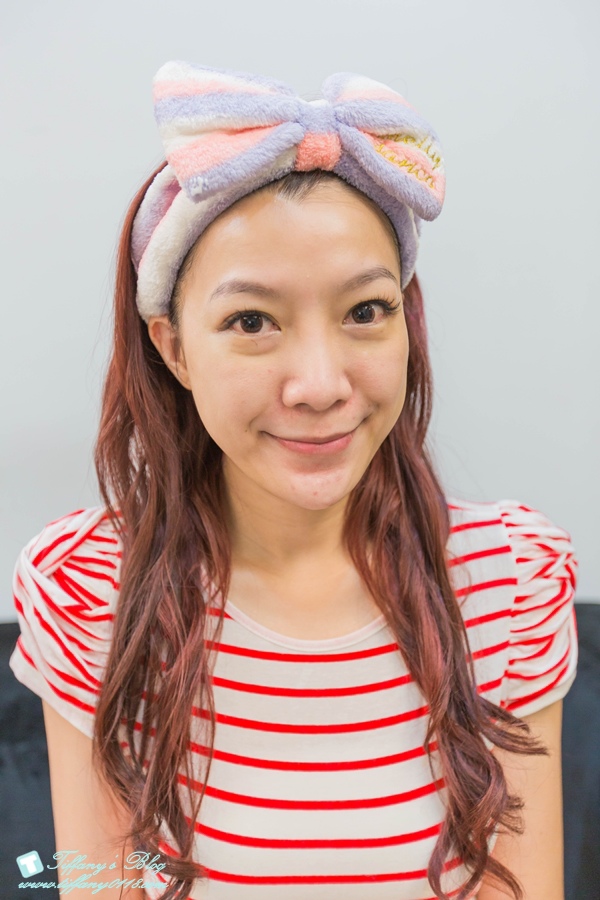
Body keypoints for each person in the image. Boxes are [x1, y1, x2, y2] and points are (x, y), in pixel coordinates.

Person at [9, 62, 578, 900]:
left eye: (365, 311)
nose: (319, 384)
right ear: (174, 349)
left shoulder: (512, 583)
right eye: (252, 321)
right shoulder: (90, 593)